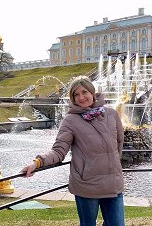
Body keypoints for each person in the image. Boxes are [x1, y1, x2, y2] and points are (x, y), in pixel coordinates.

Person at [21, 75, 125, 226]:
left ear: (92, 92)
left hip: (113, 184)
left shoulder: (111, 114)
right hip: (87, 186)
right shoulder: (70, 121)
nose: (81, 97)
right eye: (76, 95)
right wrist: (37, 163)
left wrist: (114, 167)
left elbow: (118, 145)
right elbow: (58, 151)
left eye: (84, 92)